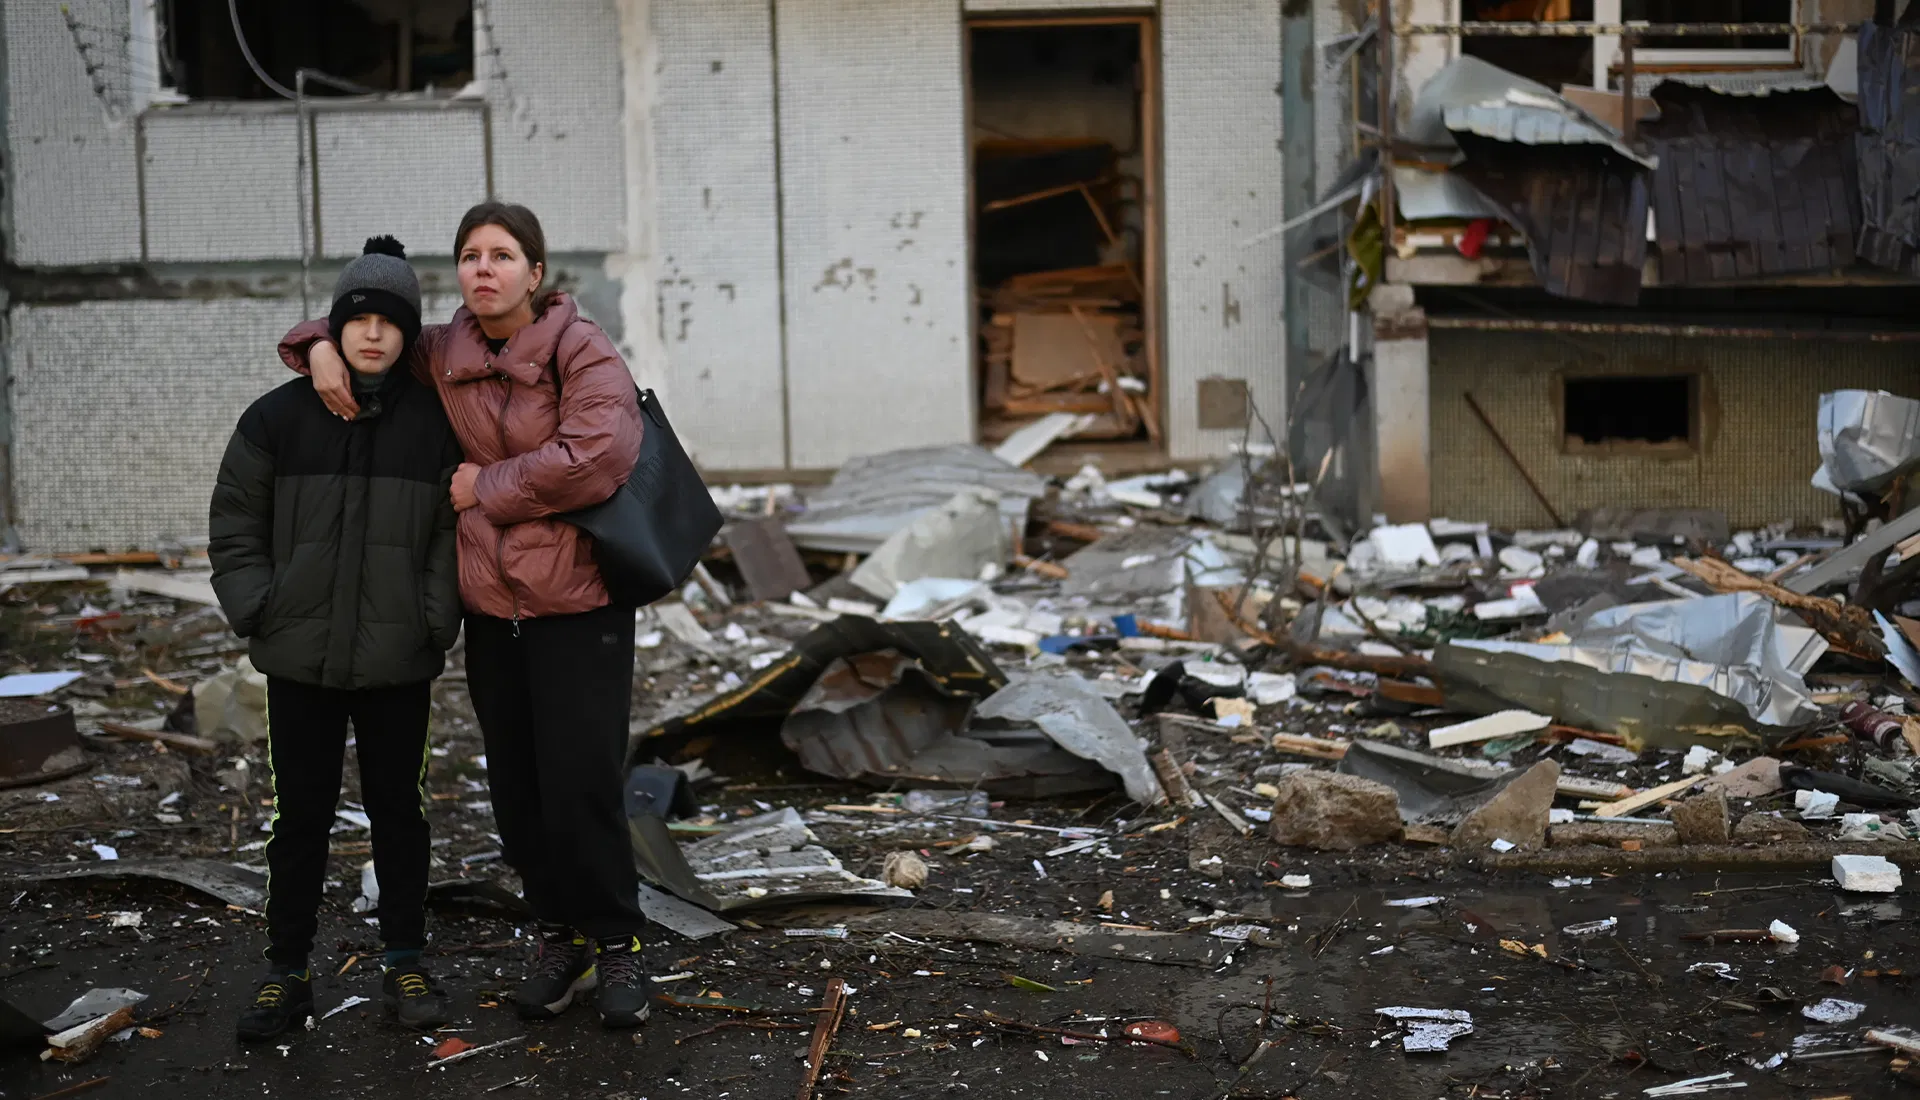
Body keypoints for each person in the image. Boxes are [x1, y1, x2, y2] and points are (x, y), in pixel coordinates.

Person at [277, 201, 652, 1029]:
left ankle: (618, 946)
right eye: (472, 256)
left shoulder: (583, 350)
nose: (484, 269)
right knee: (516, 789)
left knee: (581, 784)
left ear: (536, 273)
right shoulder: (443, 352)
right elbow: (367, 328)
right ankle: (559, 941)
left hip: (575, 605)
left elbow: (598, 457)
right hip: (492, 610)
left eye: (503, 255)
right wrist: (320, 348)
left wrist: (487, 486)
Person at [210, 236, 463, 1041]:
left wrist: (433, 618)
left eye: (392, 321)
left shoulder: (434, 424)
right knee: (299, 819)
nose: (375, 334)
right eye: (360, 318)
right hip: (300, 659)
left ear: (408, 334)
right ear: (336, 326)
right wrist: (261, 607)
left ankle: (405, 957)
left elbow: (450, 537)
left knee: (402, 813)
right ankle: (286, 973)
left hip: (398, 661)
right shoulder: (277, 419)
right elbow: (234, 523)